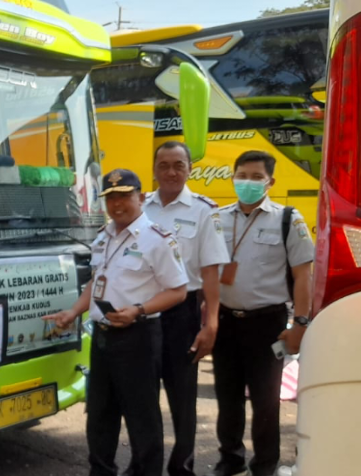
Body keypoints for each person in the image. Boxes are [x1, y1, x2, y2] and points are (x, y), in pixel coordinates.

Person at [44, 169, 188, 476]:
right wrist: (73, 312)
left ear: (141, 197)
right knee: (100, 415)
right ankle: (101, 470)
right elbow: (97, 282)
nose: (117, 204)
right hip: (103, 337)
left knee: (142, 418)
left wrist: (138, 310)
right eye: (110, 198)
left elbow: (178, 291)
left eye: (124, 195)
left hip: (138, 336)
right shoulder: (104, 236)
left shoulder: (158, 240)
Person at [211, 151, 313, 476]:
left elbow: (302, 277)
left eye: (256, 177)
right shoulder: (218, 219)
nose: (248, 182)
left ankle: (265, 465)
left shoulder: (288, 219)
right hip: (226, 322)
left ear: (271, 182)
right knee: (227, 400)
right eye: (242, 175)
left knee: (266, 402)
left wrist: (300, 324)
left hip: (267, 325)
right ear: (233, 177)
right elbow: (209, 274)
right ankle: (231, 459)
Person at [142, 142, 229, 476]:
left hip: (183, 313)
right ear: (154, 169)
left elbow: (210, 272)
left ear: (190, 169)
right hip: (145, 311)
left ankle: (182, 467)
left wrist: (211, 323)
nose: (171, 172)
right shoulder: (142, 207)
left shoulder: (204, 210)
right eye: (163, 165)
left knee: (182, 398)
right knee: (144, 396)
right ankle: (145, 464)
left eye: (178, 165)